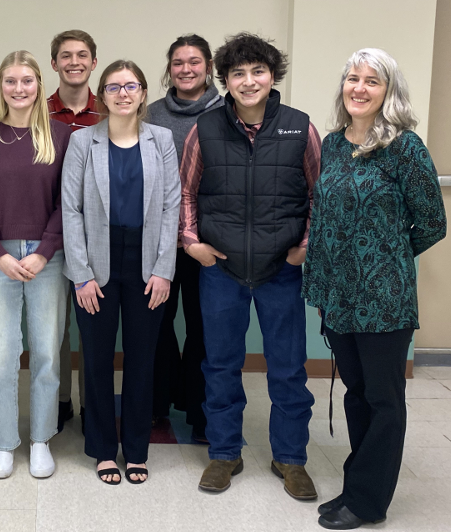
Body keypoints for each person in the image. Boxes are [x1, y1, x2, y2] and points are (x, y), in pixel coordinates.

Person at [302, 48, 446, 530]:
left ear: (389, 91)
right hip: (340, 296)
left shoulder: (405, 147)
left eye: (372, 81)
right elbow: (323, 215)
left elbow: (431, 222)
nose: (359, 88)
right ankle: (356, 485)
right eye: (352, 79)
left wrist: (385, 257)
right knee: (356, 394)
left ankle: (368, 502)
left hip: (384, 300)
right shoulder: (334, 143)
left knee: (383, 400)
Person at [179, 32, 320, 499]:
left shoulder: (300, 127)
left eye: (258, 71)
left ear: (273, 75)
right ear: (226, 80)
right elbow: (185, 191)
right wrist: (192, 241)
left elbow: (321, 194)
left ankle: (291, 458)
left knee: (287, 368)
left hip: (281, 269)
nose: (248, 80)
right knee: (220, 365)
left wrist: (305, 244)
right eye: (238, 73)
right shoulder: (206, 127)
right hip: (221, 270)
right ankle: (224, 453)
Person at [62, 60, 180, 485]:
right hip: (97, 260)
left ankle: (135, 450)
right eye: (114, 86)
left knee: (142, 359)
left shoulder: (161, 139)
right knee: (95, 359)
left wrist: (164, 270)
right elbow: (70, 210)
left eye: (131, 86)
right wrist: (80, 273)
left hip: (147, 262)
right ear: (102, 94)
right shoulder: (82, 142)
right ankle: (101, 450)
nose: (123, 93)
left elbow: (172, 207)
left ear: (144, 93)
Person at [0, 50, 71, 479]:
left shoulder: (62, 136)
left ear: (39, 84)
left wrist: (44, 250)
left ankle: (41, 439)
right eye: (10, 81)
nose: (19, 88)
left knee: (46, 351)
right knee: (3, 353)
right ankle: (4, 443)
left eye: (27, 80)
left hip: (49, 255)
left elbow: (70, 202)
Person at [146, 33, 224, 438]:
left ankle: (199, 410)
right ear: (169, 68)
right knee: (156, 326)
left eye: (194, 61)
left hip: (207, 245)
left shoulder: (226, 113)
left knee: (202, 329)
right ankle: (158, 403)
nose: (186, 69)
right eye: (178, 62)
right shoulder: (151, 114)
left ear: (208, 66)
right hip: (158, 240)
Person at [47, 29, 100, 433]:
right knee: (55, 325)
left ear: (94, 62)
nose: (74, 62)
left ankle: (91, 405)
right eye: (66, 56)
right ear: (54, 64)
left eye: (82, 55)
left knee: (91, 323)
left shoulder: (113, 109)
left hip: (96, 235)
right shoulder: (37, 111)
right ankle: (60, 399)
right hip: (50, 232)